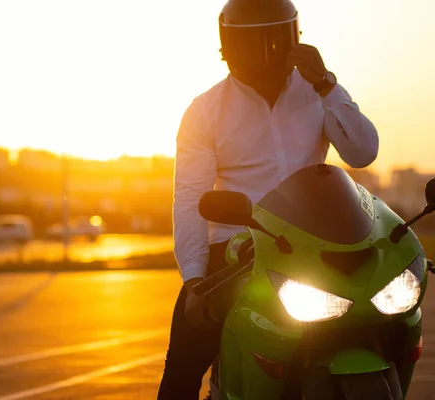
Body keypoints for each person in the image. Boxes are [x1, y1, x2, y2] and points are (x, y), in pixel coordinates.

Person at [157, 0, 379, 398]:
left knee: (380, 321)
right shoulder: (204, 111)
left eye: (272, 40)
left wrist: (328, 84)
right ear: (227, 47)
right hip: (235, 249)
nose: (263, 53)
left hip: (314, 244)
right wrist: (193, 281)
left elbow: (362, 153)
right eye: (250, 42)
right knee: (182, 368)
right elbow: (190, 198)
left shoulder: (318, 93)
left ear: (292, 38)